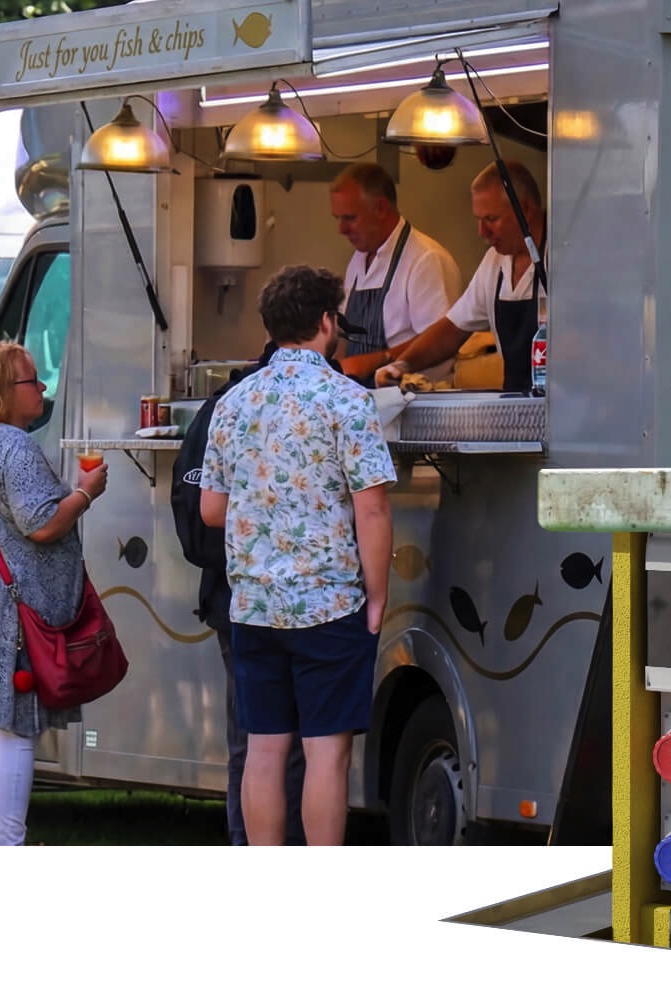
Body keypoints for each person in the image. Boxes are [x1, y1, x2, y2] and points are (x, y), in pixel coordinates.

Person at [200, 264, 396, 847]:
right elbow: (374, 511)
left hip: (255, 603)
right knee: (325, 755)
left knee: (263, 749)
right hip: (330, 601)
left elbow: (212, 509)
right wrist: (378, 595)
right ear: (326, 322)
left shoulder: (232, 403)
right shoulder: (347, 401)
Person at [0, 342, 104, 846]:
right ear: (4, 392)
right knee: (14, 731)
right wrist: (85, 493)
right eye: (33, 381)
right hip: (12, 613)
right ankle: (6, 847)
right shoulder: (13, 446)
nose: (43, 388)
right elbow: (42, 523)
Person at [166, 339, 305, 845]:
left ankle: (243, 841)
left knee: (248, 739)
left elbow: (202, 507)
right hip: (284, 597)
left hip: (227, 594)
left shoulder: (224, 405)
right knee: (282, 744)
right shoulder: (317, 401)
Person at [373, 161, 547, 391]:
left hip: (567, 407)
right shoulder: (494, 262)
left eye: (491, 219)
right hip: (516, 405)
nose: (482, 232)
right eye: (479, 219)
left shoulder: (567, 258)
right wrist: (402, 365)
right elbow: (452, 329)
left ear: (524, 210)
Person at [318, 162, 462, 384]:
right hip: (365, 399)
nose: (341, 230)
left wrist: (377, 360)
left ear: (381, 208)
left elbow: (441, 342)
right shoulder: (358, 260)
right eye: (337, 219)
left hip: (415, 404)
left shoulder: (426, 259)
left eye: (350, 218)